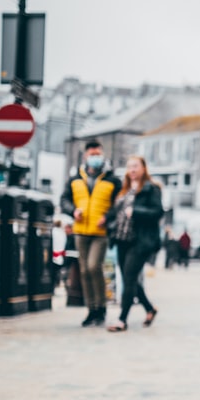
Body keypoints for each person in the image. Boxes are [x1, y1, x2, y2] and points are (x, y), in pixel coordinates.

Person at [60, 140, 121, 326]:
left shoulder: (112, 179)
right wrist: (73, 211)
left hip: (100, 232)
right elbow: (64, 200)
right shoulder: (75, 179)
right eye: (92, 154)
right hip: (81, 230)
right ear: (85, 155)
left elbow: (119, 204)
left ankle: (101, 307)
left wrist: (108, 217)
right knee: (85, 271)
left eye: (98, 154)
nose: (95, 157)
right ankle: (92, 309)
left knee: (94, 267)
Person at [104, 156, 163, 332]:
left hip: (140, 241)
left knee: (129, 277)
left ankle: (122, 320)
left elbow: (157, 212)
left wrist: (135, 211)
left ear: (144, 168)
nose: (132, 169)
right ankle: (149, 308)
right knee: (130, 279)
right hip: (122, 239)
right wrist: (106, 221)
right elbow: (114, 212)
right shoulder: (124, 190)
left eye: (136, 166)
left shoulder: (151, 189)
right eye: (129, 166)